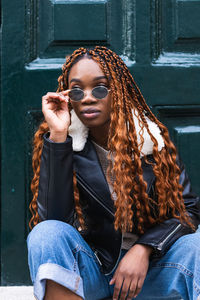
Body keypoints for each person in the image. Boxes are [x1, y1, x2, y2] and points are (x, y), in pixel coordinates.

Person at [27, 46, 200, 300]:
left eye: (99, 88)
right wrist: (59, 136)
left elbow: (188, 210)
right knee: (45, 234)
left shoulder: (151, 142)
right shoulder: (63, 144)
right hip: (93, 272)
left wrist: (144, 248)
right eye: (77, 90)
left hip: (150, 273)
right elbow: (54, 220)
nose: (87, 97)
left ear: (118, 92)